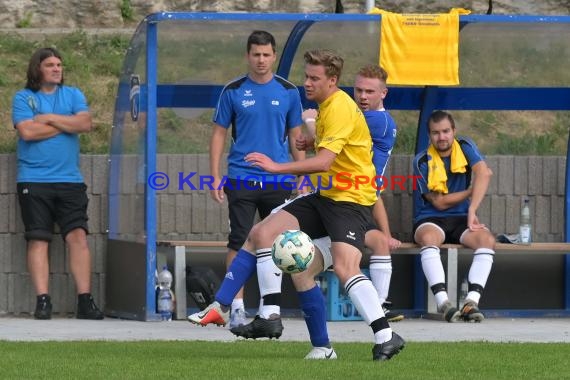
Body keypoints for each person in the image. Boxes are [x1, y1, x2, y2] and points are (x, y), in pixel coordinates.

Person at [189, 49, 405, 362]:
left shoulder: (341, 107)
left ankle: (386, 336)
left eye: (314, 78)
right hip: (327, 196)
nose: (306, 83)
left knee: (346, 268)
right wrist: (311, 141)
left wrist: (277, 167)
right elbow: (336, 147)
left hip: (351, 202)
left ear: (332, 81)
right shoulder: (328, 106)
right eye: (306, 76)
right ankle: (224, 308)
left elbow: (324, 162)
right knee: (264, 236)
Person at [209, 30, 305, 335]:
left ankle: (268, 310)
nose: (261, 60)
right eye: (256, 54)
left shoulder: (289, 91)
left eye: (266, 54)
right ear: (247, 56)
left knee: (278, 244)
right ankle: (236, 309)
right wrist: (214, 176)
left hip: (278, 180)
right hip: (241, 178)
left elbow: (296, 136)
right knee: (239, 240)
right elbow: (219, 134)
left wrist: (301, 174)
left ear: (274, 56)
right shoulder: (234, 90)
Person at [303, 64, 404, 322]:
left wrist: (311, 122)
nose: (362, 96)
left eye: (370, 91)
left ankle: (378, 310)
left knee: (337, 262)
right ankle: (380, 307)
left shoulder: (373, 120)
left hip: (350, 196)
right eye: (358, 90)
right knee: (372, 245)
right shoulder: (373, 118)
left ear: (384, 93)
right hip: (356, 192)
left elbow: (327, 145)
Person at [11, 47, 104, 320]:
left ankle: (85, 302)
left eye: (59, 64)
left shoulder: (72, 94)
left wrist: (49, 119)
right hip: (33, 180)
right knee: (38, 239)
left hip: (69, 181)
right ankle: (43, 301)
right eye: (50, 64)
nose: (56, 68)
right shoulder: (24, 97)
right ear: (37, 68)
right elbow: (27, 131)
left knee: (78, 237)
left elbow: (86, 124)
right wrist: (67, 125)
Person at [412, 110, 495, 322]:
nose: (442, 137)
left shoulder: (465, 146)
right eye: (436, 133)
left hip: (461, 218)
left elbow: (484, 173)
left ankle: (471, 302)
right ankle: (443, 302)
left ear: (454, 131)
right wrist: (470, 191)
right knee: (429, 238)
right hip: (430, 219)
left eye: (446, 131)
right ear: (429, 136)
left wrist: (471, 210)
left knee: (487, 240)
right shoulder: (421, 161)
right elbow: (438, 203)